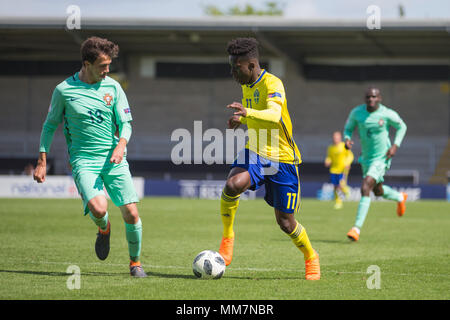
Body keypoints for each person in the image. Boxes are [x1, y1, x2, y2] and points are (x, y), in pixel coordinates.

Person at [33, 37, 147, 277]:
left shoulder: (113, 88)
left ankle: (135, 263)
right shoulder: (64, 90)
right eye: (103, 66)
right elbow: (49, 126)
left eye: (109, 65)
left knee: (132, 213)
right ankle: (104, 229)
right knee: (98, 208)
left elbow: (126, 123)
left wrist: (121, 145)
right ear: (86, 64)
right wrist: (42, 161)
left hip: (114, 158)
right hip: (84, 161)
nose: (107, 71)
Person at [219, 37, 320, 280]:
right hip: (254, 152)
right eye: (231, 67)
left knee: (286, 223)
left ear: (251, 65)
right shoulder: (246, 84)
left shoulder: (273, 83)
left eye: (236, 67)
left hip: (282, 159)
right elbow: (255, 116)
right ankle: (228, 237)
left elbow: (274, 115)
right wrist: (241, 119)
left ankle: (311, 256)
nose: (233, 73)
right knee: (232, 185)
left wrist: (247, 113)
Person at [344, 87, 408, 241]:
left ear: (379, 98)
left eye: (374, 97)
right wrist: (347, 139)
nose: (371, 99)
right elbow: (348, 128)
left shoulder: (386, 113)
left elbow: (402, 126)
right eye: (368, 97)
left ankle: (356, 229)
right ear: (365, 99)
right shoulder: (357, 113)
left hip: (382, 157)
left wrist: (395, 145)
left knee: (366, 186)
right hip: (366, 158)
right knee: (377, 191)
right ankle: (399, 197)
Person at [324, 131, 354, 209]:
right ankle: (338, 202)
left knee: (341, 185)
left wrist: (347, 163)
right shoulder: (331, 147)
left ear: (340, 138)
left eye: (337, 138)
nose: (335, 139)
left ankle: (346, 190)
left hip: (342, 169)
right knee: (335, 186)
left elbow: (350, 156)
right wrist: (328, 160)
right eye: (334, 138)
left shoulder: (344, 146)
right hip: (333, 169)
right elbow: (329, 157)